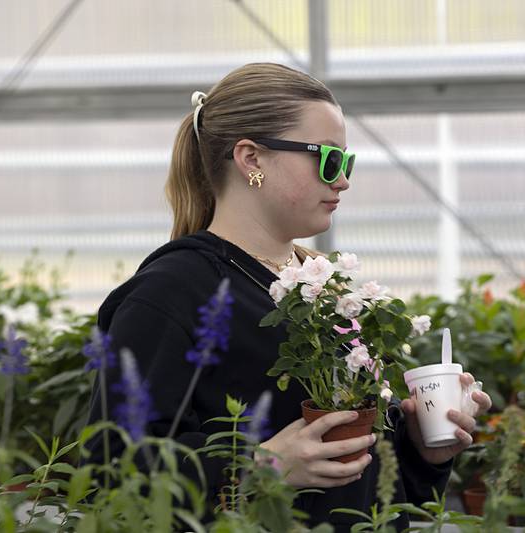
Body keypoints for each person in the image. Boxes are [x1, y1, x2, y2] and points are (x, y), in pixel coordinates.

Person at [85, 62, 492, 531]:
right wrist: (259, 471)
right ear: (251, 158)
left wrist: (423, 449)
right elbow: (112, 477)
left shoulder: (321, 287)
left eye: (347, 162)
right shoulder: (170, 291)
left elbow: (364, 479)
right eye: (328, 159)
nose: (342, 180)